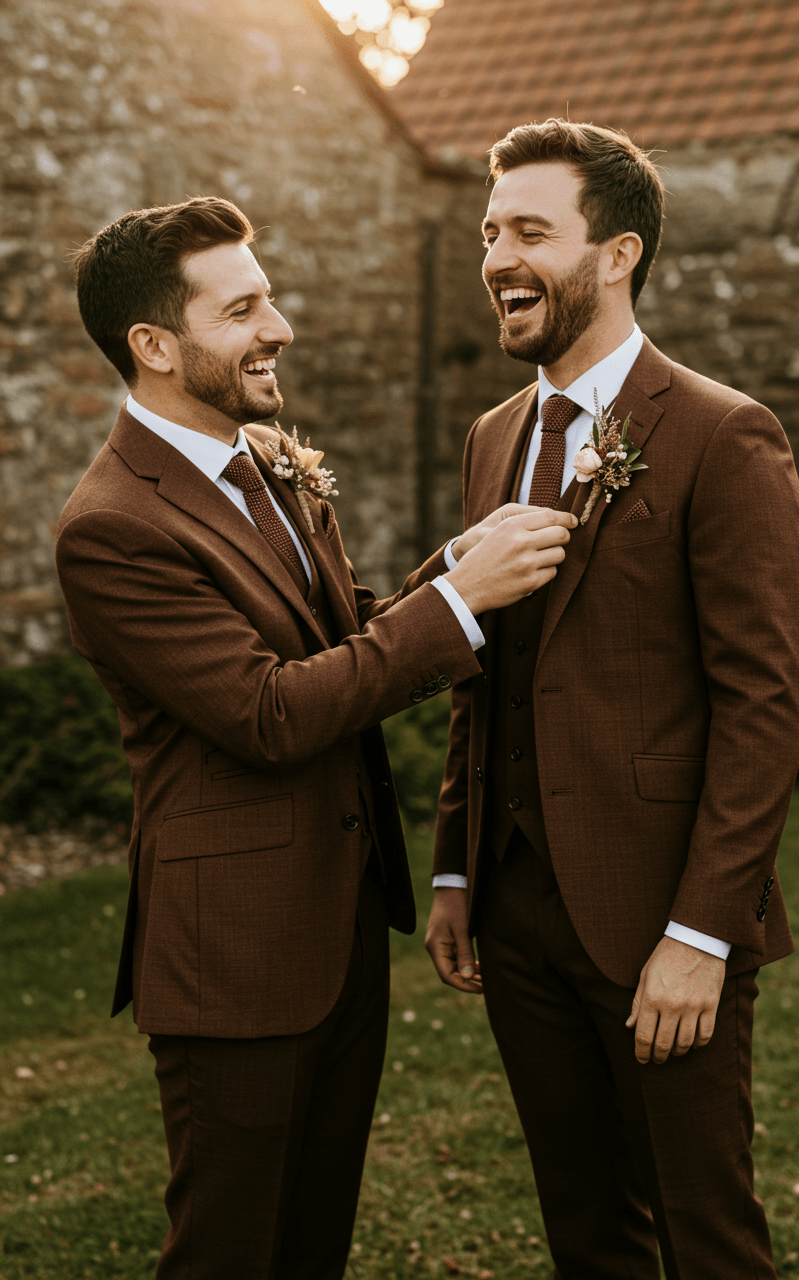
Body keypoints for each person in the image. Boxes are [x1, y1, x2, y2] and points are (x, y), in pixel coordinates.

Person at [55, 196, 576, 1280]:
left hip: (336, 927)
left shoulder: (268, 465)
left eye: (269, 296)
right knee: (228, 1251)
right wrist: (461, 605)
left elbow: (343, 635)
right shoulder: (111, 526)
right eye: (242, 308)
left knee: (310, 1246)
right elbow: (269, 711)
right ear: (154, 346)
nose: (278, 325)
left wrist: (452, 568)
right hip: (232, 959)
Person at [424, 121, 799, 1279]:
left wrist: (699, 933)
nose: (496, 255)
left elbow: (762, 704)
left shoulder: (719, 432)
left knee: (705, 1234)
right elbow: (481, 672)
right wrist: (454, 867)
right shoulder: (494, 437)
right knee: (583, 1228)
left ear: (617, 252)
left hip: (657, 918)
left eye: (529, 230)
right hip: (516, 910)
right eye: (489, 230)